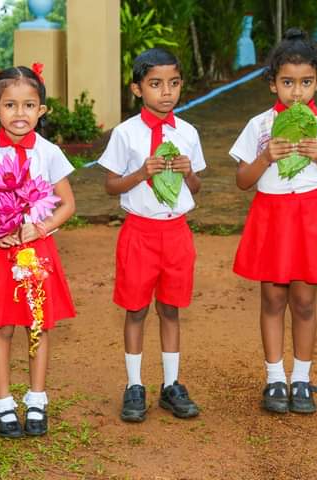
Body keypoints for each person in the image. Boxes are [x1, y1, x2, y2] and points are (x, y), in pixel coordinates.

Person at [229, 28, 317, 414]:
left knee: (303, 301)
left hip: (310, 217)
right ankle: (274, 379)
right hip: (272, 216)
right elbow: (242, 182)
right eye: (287, 82)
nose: (297, 92)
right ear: (273, 84)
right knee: (272, 298)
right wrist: (266, 156)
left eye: (305, 82)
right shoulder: (260, 126)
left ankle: (300, 378)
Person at [0, 65, 76, 438]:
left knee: (38, 325)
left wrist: (42, 227)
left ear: (41, 110)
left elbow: (67, 205)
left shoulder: (49, 152)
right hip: (0, 253)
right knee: (3, 327)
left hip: (37, 252)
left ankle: (37, 400)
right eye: (10, 105)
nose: (20, 113)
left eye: (29, 105)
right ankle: (3, 403)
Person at [98, 48, 206, 422]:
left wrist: (190, 173)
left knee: (171, 308)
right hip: (139, 232)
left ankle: (171, 385)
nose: (166, 92)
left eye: (173, 84)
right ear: (137, 88)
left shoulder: (188, 133)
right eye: (156, 84)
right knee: (136, 309)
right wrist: (141, 174)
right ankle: (133, 385)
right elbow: (112, 186)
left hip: (177, 232)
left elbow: (196, 187)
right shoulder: (125, 134)